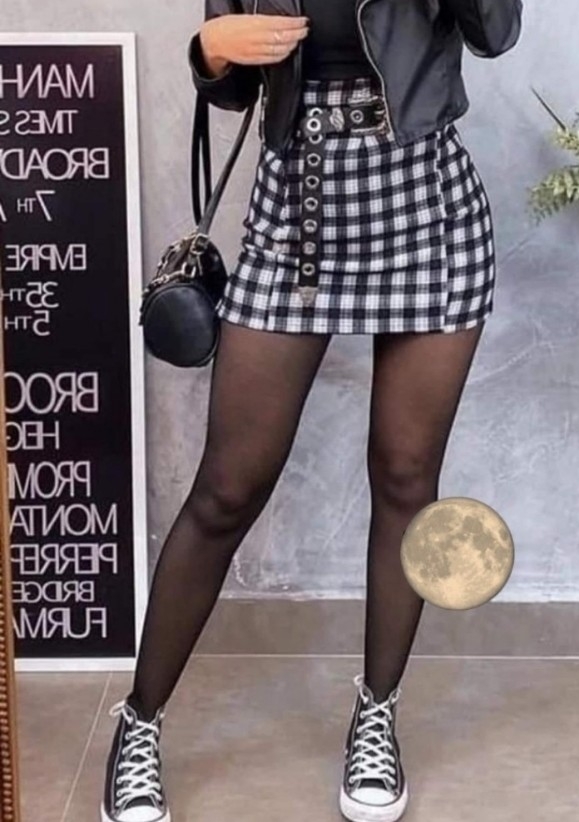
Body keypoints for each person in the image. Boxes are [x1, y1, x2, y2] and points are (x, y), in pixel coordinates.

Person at [100, 1, 523, 821]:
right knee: (227, 489)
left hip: (428, 212)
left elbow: (494, 31)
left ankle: (376, 713)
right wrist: (209, 50)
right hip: (293, 214)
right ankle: (139, 722)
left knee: (404, 478)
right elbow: (231, 87)